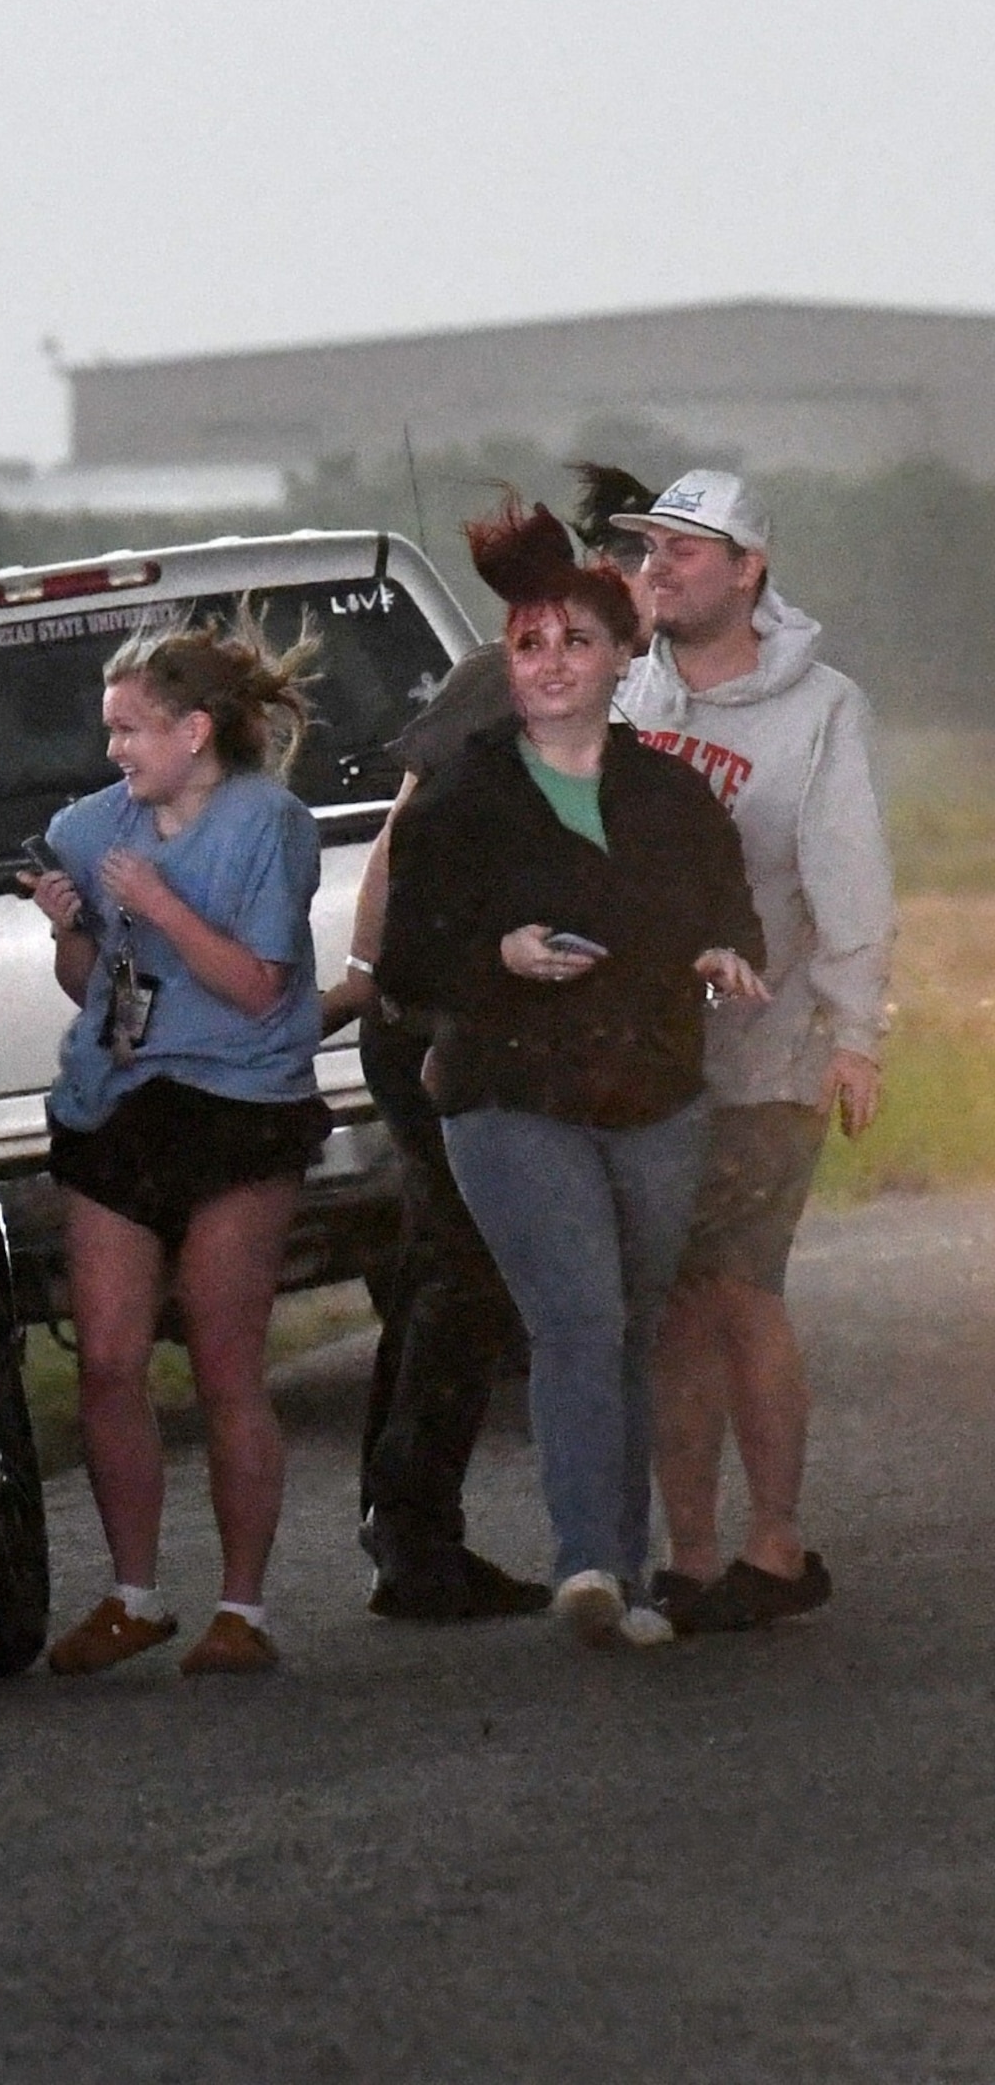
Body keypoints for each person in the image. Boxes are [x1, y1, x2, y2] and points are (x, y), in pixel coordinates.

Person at [377, 499, 765, 1649]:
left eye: (575, 643)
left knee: (634, 1325)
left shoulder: (672, 794)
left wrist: (723, 951)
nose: (549, 665)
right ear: (508, 662)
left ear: (619, 659)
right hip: (509, 1094)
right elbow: (405, 966)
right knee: (579, 1319)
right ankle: (589, 1565)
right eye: (530, 644)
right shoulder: (462, 796)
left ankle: (630, 1574)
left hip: (654, 1093)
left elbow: (728, 911)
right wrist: (494, 957)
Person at [327, 464, 658, 1619]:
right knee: (464, 1274)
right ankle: (414, 1534)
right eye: (633, 562)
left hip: (493, 1019)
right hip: (448, 1019)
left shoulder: (616, 694)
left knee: (446, 1271)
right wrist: (379, 990)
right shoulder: (502, 680)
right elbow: (402, 845)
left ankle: (408, 1527)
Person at [608, 471, 895, 1634]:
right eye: (650, 549)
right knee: (673, 1305)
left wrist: (856, 1032)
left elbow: (849, 874)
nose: (660, 566)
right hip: (646, 1058)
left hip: (770, 1049)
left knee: (739, 1288)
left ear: (750, 569)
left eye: (687, 548)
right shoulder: (622, 691)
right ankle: (690, 1553)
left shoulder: (820, 706)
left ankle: (776, 1545)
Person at [23, 613, 330, 1678]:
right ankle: (133, 1594)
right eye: (109, 732)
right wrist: (73, 927)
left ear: (196, 731)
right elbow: (90, 982)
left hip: (238, 1099)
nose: (116, 752)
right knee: (108, 1360)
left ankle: (240, 1608)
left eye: (133, 731)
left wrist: (157, 905)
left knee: (222, 1354)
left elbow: (258, 988)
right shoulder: (87, 828)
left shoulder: (268, 826)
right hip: (117, 1097)